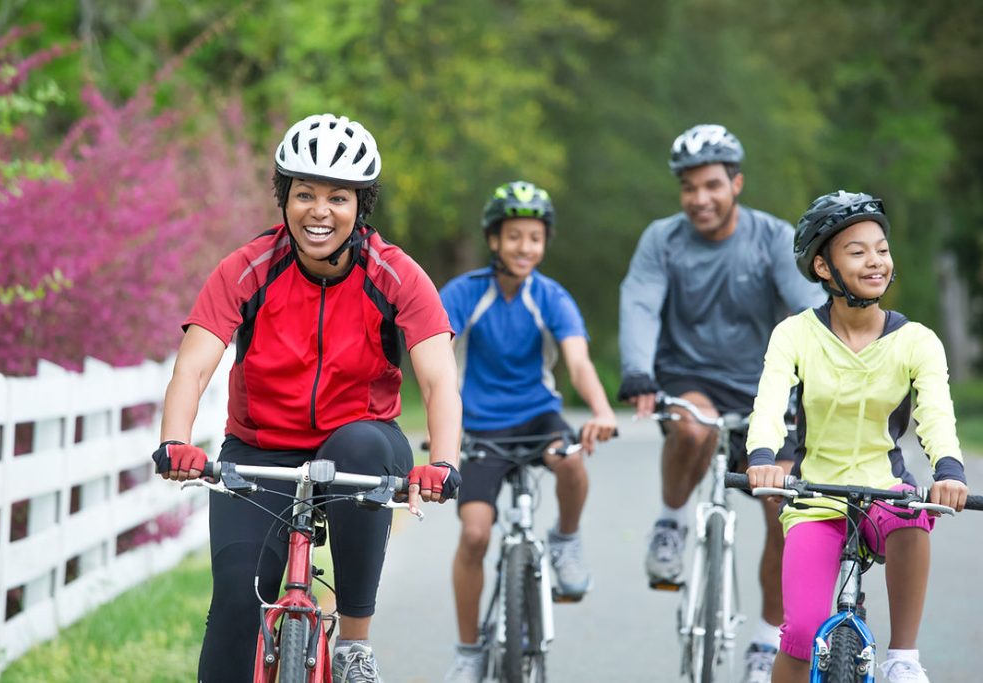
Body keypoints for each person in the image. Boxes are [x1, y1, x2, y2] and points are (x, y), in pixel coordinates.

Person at [150, 113, 463, 683]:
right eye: (305, 194)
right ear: (284, 197)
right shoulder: (247, 268)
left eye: (338, 197)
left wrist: (441, 463)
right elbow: (193, 368)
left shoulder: (396, 275)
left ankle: (354, 648)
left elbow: (439, 377)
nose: (320, 211)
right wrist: (175, 442)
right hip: (258, 451)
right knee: (237, 607)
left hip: (363, 442)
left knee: (360, 447)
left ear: (360, 205)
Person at [617, 124, 825, 681]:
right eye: (689, 187)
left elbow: (811, 309)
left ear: (736, 183)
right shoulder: (662, 240)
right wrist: (637, 368)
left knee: (785, 512)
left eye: (711, 184)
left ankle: (766, 640)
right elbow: (639, 303)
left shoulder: (773, 237)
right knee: (690, 427)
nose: (700, 199)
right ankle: (672, 521)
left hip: (766, 391)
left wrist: (828, 371)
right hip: (691, 378)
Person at [745, 190, 969, 683]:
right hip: (813, 498)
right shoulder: (795, 334)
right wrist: (762, 456)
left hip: (884, 491)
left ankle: (903, 659)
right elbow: (769, 403)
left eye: (882, 249)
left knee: (914, 515)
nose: (876, 262)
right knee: (801, 638)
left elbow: (935, 414)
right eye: (857, 251)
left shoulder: (916, 341)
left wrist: (949, 471)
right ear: (824, 268)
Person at [439, 181, 618, 682]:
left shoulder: (552, 297)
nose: (525, 248)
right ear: (494, 240)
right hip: (478, 425)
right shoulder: (463, 293)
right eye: (514, 236)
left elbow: (579, 363)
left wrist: (601, 409)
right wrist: (444, 425)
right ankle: (469, 650)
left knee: (572, 460)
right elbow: (437, 362)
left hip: (538, 417)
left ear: (545, 242)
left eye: (535, 238)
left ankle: (566, 538)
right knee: (474, 534)